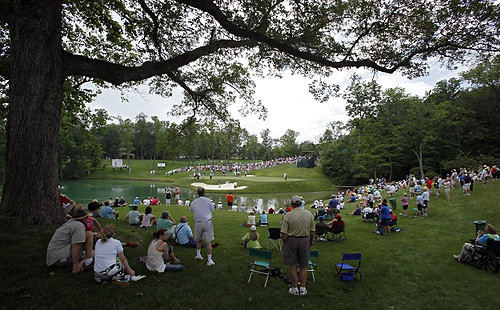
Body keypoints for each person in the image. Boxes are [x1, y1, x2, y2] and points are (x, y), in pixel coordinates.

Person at [280, 195, 315, 296]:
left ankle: (295, 288)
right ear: (301, 203)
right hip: (304, 241)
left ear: (292, 204)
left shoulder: (288, 215)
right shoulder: (309, 214)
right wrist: (311, 241)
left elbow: (284, 233)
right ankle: (303, 288)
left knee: (292, 266)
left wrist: (285, 241)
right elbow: (312, 231)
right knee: (303, 266)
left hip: (291, 241)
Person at [46, 208, 93, 273]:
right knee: (90, 237)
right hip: (58, 259)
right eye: (87, 217)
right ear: (83, 218)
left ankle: (86, 258)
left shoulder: (71, 222)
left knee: (90, 240)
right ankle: (87, 261)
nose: (88, 219)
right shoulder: (79, 225)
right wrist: (75, 264)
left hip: (53, 257)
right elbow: (75, 245)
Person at [190, 187, 217, 266]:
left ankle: (198, 255)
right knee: (208, 241)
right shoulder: (208, 200)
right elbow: (212, 209)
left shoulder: (194, 201)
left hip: (198, 222)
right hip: (206, 222)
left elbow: (191, 210)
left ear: (197, 193)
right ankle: (209, 260)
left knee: (198, 240)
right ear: (204, 193)